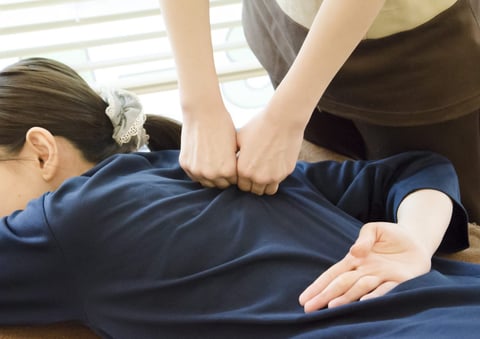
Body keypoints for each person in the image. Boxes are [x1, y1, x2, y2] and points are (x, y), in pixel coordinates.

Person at [0, 57, 479, 338]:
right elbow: (417, 169)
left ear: (41, 151)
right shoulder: (224, 167)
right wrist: (416, 241)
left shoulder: (60, 223)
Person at [158, 0, 480, 223]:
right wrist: (199, 106)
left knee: (450, 220)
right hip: (287, 29)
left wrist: (285, 117)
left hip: (417, 51)